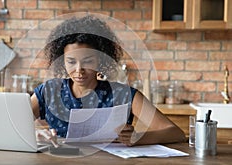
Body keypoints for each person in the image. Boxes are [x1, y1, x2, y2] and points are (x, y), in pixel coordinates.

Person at [31, 15, 186, 147]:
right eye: (71, 62)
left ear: (100, 60)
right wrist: (34, 132)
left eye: (88, 61)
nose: (79, 70)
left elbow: (175, 133)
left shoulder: (124, 95)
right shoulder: (48, 91)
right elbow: (11, 126)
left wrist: (138, 138)